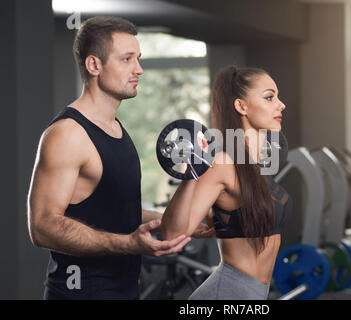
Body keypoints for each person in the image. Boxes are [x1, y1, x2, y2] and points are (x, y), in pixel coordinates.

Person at [27, 16, 213, 300]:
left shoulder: (115, 128)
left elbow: (112, 211)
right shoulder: (67, 135)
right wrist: (127, 244)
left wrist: (176, 222)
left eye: (138, 58)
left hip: (124, 290)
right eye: (127, 59)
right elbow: (42, 226)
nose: (138, 69)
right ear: (94, 65)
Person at [161, 65, 293, 300]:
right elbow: (173, 234)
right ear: (241, 106)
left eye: (278, 97)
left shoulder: (261, 162)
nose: (280, 104)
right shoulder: (222, 163)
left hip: (254, 294)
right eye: (270, 97)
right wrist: (192, 169)